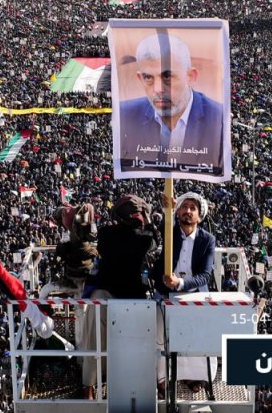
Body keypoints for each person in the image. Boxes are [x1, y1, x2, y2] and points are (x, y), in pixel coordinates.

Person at [79, 194, 161, 399]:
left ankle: (88, 384)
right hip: (126, 295)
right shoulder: (144, 238)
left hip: (116, 293)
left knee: (95, 336)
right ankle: (92, 383)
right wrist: (148, 223)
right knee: (135, 339)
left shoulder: (106, 233)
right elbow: (152, 241)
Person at [117, 33, 224, 176]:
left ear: (191, 77)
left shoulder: (219, 119)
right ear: (140, 78)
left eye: (167, 76)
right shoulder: (124, 116)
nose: (158, 89)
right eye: (148, 77)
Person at [154, 192, 216, 397]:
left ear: (200, 215)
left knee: (194, 337)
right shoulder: (171, 232)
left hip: (193, 294)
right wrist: (168, 210)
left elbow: (205, 275)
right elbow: (164, 227)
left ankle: (191, 376)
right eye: (184, 207)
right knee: (160, 335)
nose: (187, 211)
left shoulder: (207, 240)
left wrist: (180, 283)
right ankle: (162, 379)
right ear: (178, 211)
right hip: (165, 293)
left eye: (192, 208)